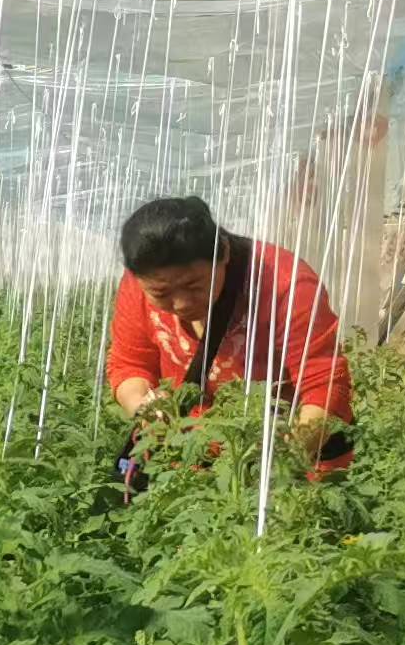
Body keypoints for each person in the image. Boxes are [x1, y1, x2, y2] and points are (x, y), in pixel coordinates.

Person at [105, 193, 353, 480]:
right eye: (161, 294)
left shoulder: (285, 285)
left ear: (223, 253)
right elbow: (130, 364)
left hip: (291, 457)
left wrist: (280, 466)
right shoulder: (140, 284)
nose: (181, 303)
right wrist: (143, 404)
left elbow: (324, 386)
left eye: (194, 286)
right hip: (192, 461)